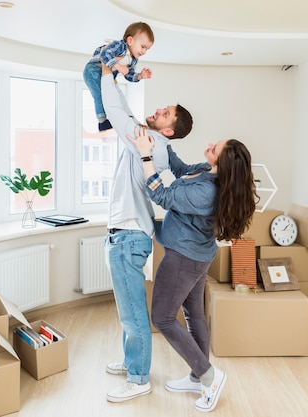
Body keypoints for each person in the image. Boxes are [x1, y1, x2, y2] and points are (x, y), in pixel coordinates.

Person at [128, 126, 258, 413]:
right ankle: (197, 376)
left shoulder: (206, 193)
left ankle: (209, 374)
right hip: (197, 255)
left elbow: (160, 195)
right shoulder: (207, 171)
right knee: (193, 313)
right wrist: (164, 143)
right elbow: (181, 168)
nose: (209, 145)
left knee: (162, 317)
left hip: (184, 258)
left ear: (221, 162)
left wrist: (146, 156)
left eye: (215, 148)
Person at [100, 65, 194, 403]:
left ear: (168, 130)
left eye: (164, 113)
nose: (157, 111)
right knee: (129, 311)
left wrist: (109, 74)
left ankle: (138, 378)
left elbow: (114, 110)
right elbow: (125, 113)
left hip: (127, 237)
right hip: (127, 235)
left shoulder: (148, 141)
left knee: (133, 313)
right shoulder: (156, 146)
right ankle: (131, 363)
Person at [83, 22, 154, 132]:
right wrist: (118, 66)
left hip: (105, 75)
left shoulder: (134, 59)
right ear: (130, 41)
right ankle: (102, 122)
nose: (144, 51)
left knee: (108, 95)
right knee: (99, 96)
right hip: (93, 71)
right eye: (143, 47)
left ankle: (110, 119)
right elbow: (104, 54)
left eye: (147, 49)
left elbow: (129, 75)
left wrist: (140, 76)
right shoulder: (119, 46)